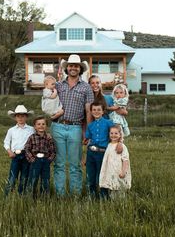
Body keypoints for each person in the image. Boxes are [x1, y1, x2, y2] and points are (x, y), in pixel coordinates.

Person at [50, 54, 94, 196]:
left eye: (76, 66)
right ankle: (60, 194)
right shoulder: (58, 85)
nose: (73, 68)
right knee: (59, 164)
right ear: (66, 68)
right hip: (58, 126)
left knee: (75, 164)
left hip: (75, 127)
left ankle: (75, 194)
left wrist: (87, 131)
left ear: (80, 69)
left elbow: (88, 111)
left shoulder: (86, 88)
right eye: (70, 66)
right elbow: (48, 104)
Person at [83, 102, 114, 198]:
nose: (96, 112)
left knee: (101, 175)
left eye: (99, 110)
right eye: (94, 110)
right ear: (91, 112)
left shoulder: (108, 123)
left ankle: (103, 197)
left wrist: (118, 145)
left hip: (102, 153)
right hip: (91, 153)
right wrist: (85, 156)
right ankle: (91, 196)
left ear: (103, 111)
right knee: (90, 175)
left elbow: (115, 135)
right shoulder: (90, 125)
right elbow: (87, 140)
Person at [3, 105, 34, 196]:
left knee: (24, 176)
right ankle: (7, 195)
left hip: (26, 155)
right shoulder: (11, 130)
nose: (20, 118)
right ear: (15, 117)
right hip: (15, 155)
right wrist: (9, 151)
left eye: (23, 116)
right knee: (12, 176)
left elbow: (35, 141)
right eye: (18, 116)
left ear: (26, 117)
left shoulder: (31, 129)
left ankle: (22, 195)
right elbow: (6, 142)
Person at [25, 116, 56, 199]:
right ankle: (31, 197)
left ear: (46, 126)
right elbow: (27, 149)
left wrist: (49, 160)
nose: (41, 126)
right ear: (35, 126)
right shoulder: (32, 137)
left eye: (43, 124)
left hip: (45, 161)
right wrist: (32, 159)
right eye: (38, 124)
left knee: (45, 180)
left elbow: (53, 151)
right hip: (35, 161)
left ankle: (44, 198)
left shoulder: (49, 138)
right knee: (33, 179)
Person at [99, 124, 131, 199]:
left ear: (120, 135)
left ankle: (121, 204)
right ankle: (113, 204)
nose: (113, 135)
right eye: (111, 133)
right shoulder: (109, 145)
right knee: (112, 188)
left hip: (118, 171)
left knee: (120, 188)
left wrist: (123, 171)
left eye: (116, 133)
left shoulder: (122, 146)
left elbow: (125, 160)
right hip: (111, 171)